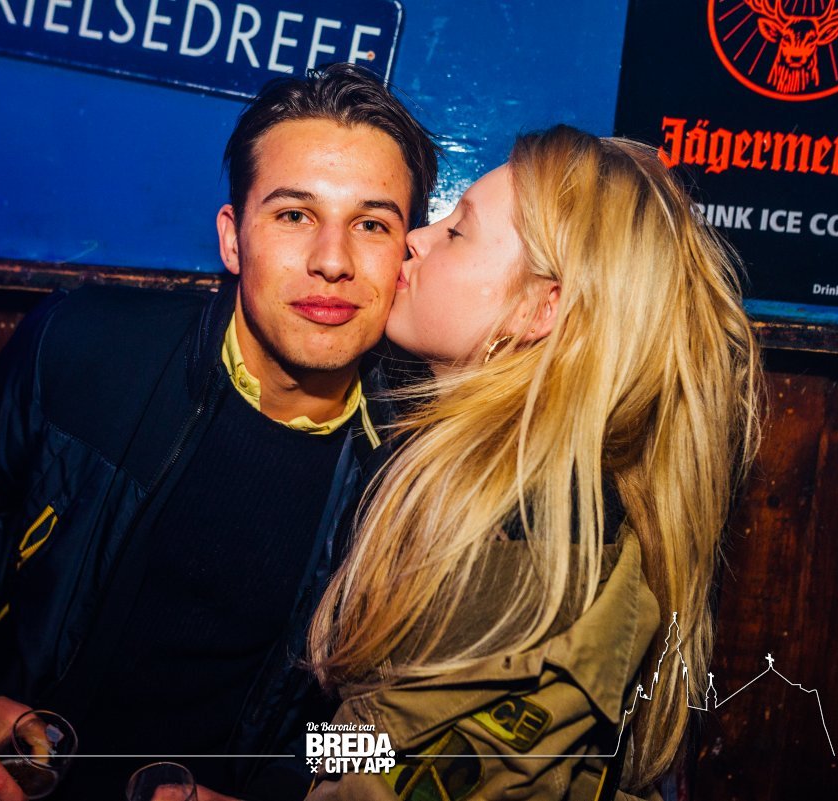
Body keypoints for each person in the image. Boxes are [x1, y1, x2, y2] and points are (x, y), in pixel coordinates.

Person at [0, 63, 439, 801]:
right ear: (233, 238)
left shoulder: (424, 470)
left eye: (371, 224)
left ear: (405, 254)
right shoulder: (87, 346)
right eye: (293, 215)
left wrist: (284, 790)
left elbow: (396, 731)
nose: (331, 261)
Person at [306, 125, 761, 801]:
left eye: (458, 231)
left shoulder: (531, 536)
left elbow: (399, 773)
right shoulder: (475, 479)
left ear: (542, 307)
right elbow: (377, 735)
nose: (415, 240)